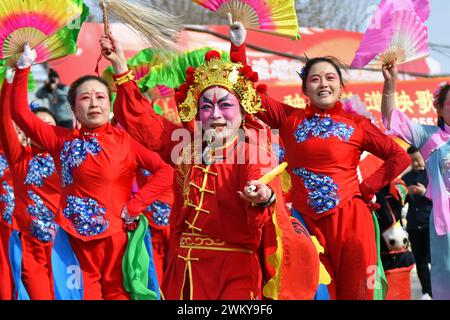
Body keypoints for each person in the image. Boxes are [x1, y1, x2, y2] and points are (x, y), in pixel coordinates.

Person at [102, 33, 320, 300]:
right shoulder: (186, 148)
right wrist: (121, 68)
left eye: (225, 105)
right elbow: (143, 121)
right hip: (184, 271)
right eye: (206, 106)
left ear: (242, 111)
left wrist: (263, 197)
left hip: (235, 271)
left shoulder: (253, 151)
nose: (215, 114)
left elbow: (261, 186)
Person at [228, 20, 411, 300]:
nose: (323, 84)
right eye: (315, 79)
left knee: (357, 293)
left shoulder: (357, 123)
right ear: (304, 89)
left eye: (330, 78)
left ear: (340, 86)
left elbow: (398, 156)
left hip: (352, 222)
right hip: (305, 222)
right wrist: (238, 47)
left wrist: (367, 188)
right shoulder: (289, 119)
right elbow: (247, 94)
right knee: (311, 291)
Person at [10, 44, 174, 300]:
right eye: (85, 98)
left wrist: (135, 205)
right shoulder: (60, 140)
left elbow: (167, 171)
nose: (94, 103)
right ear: (74, 110)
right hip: (73, 243)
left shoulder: (127, 142)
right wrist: (22, 70)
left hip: (117, 241)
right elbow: (21, 115)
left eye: (100, 97)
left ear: (110, 107)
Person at [381, 63, 449, 297]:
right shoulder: (431, 138)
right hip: (445, 225)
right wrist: (390, 84)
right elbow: (393, 120)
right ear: (439, 108)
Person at [1, 79, 61, 300]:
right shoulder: (19, 159)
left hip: (64, 247)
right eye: (37, 124)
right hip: (29, 246)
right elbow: (6, 121)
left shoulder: (69, 156)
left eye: (49, 125)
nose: (43, 128)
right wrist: (10, 80)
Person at [402, 146, 432, 299]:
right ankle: (427, 292)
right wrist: (404, 193)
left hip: (431, 224)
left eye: (416, 159)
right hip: (414, 224)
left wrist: (424, 192)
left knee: (437, 260)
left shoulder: (432, 174)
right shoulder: (406, 179)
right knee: (420, 262)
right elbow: (400, 200)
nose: (414, 164)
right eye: (411, 161)